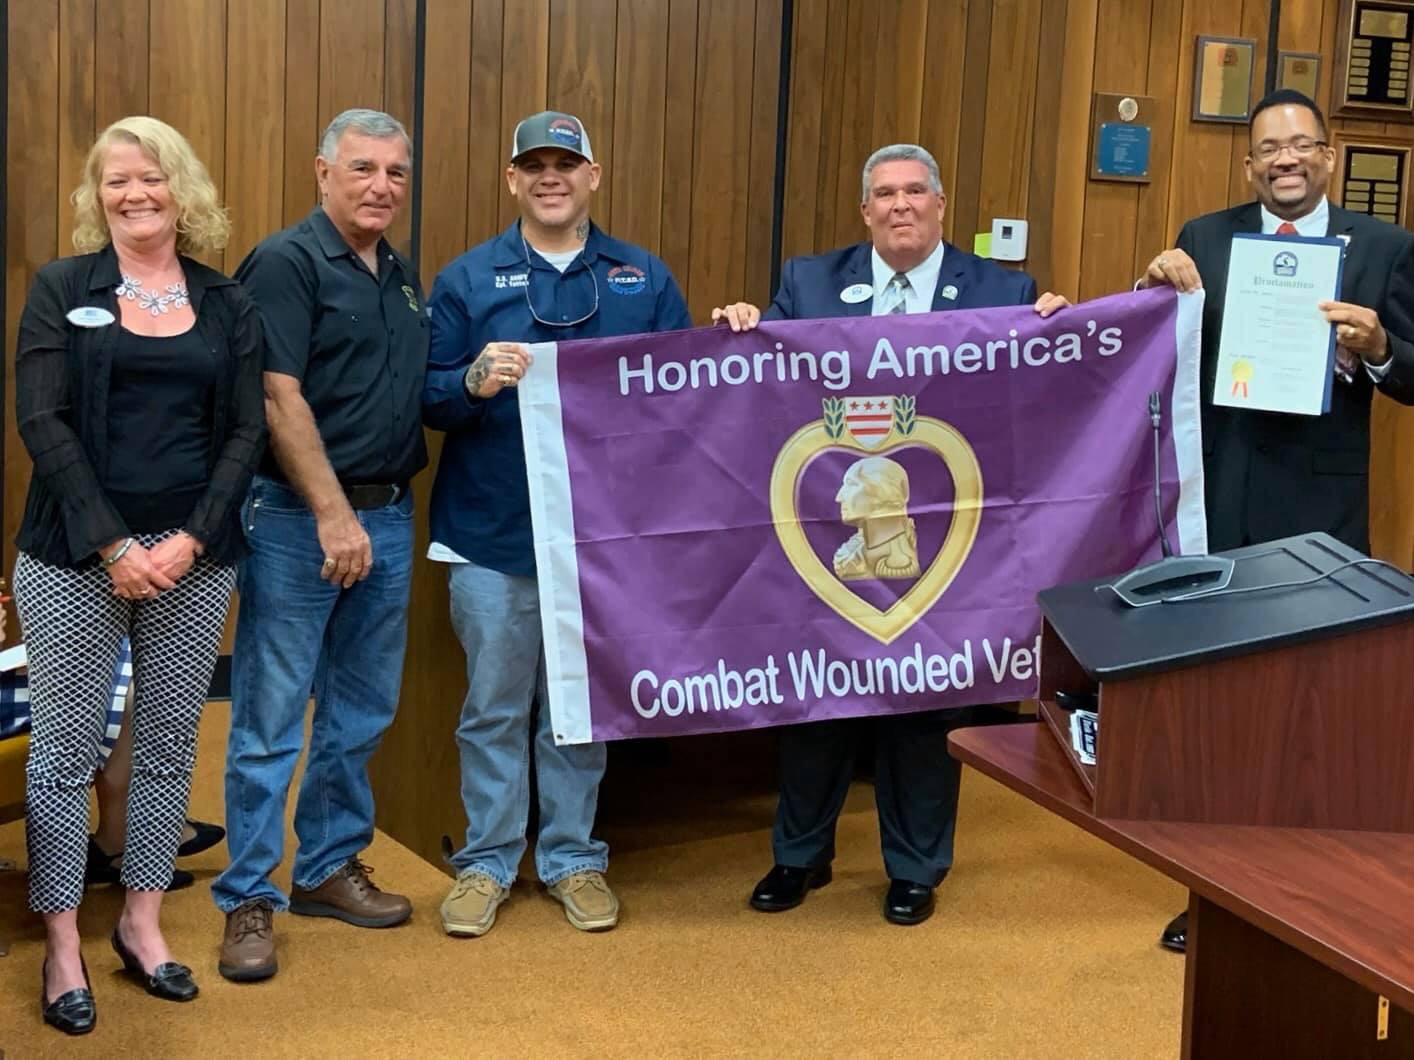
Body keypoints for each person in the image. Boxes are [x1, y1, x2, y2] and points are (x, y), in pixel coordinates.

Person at [713, 143, 1069, 926]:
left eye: (915, 191)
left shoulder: (1002, 288)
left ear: (942, 205)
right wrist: (745, 325)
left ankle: (915, 868)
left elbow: (1030, 401)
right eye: (884, 193)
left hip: (950, 539)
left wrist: (1057, 334)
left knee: (928, 709)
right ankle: (798, 857)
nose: (900, 205)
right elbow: (760, 380)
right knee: (817, 700)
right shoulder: (808, 282)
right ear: (865, 210)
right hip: (825, 529)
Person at [1138, 88, 1414, 955]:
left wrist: (1377, 349)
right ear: (1250, 162)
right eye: (1268, 148)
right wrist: (1150, 288)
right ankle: (1214, 893)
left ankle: (1314, 894)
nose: (1284, 159)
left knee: (1317, 712)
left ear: (1328, 156)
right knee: (1220, 708)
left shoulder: (1386, 247)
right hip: (1219, 502)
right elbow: (1155, 351)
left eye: (1301, 145)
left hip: (1323, 509)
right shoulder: (1204, 238)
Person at [13, 115, 266, 1033]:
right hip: (73, 559)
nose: (135, 194)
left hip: (194, 560)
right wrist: (114, 546)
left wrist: (192, 541)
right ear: (97, 196)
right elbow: (42, 423)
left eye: (151, 178)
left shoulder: (227, 300)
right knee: (62, 760)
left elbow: (246, 431)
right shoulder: (61, 288)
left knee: (164, 748)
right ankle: (64, 943)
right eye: (116, 181)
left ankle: (142, 923)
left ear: (180, 188)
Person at [423, 111, 691, 937]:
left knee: (578, 706)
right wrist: (468, 382)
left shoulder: (642, 279)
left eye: (565, 164)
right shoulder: (468, 280)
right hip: (491, 534)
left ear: (593, 176)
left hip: (599, 541)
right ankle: (487, 862)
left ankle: (573, 858)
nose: (551, 177)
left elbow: (688, 400)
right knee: (494, 706)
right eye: (534, 165)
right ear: (512, 180)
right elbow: (424, 400)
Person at [212, 109, 427, 981]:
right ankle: (247, 898)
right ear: (322, 171)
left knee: (360, 712)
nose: (381, 186)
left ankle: (328, 867)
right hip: (305, 523)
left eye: (397, 173)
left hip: (390, 516)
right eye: (363, 168)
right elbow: (275, 397)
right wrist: (334, 514)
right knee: (269, 719)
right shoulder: (286, 263)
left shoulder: (400, 274)